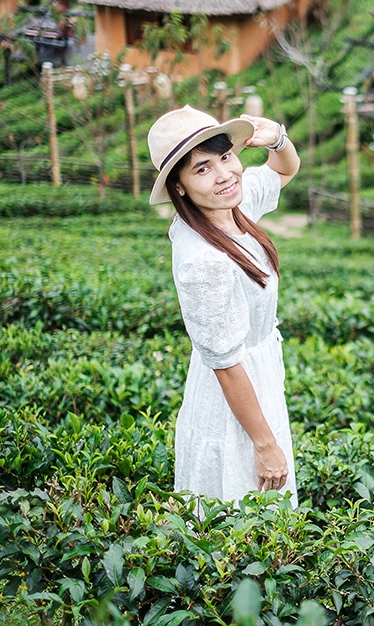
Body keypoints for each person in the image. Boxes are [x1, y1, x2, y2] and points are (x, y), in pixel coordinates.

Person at [147, 105, 301, 509]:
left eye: (226, 157)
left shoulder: (231, 208)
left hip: (258, 383)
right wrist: (265, 444)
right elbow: (227, 365)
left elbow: (284, 171)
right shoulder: (203, 261)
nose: (225, 175)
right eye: (202, 169)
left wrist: (278, 138)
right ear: (178, 186)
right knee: (238, 508)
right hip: (233, 399)